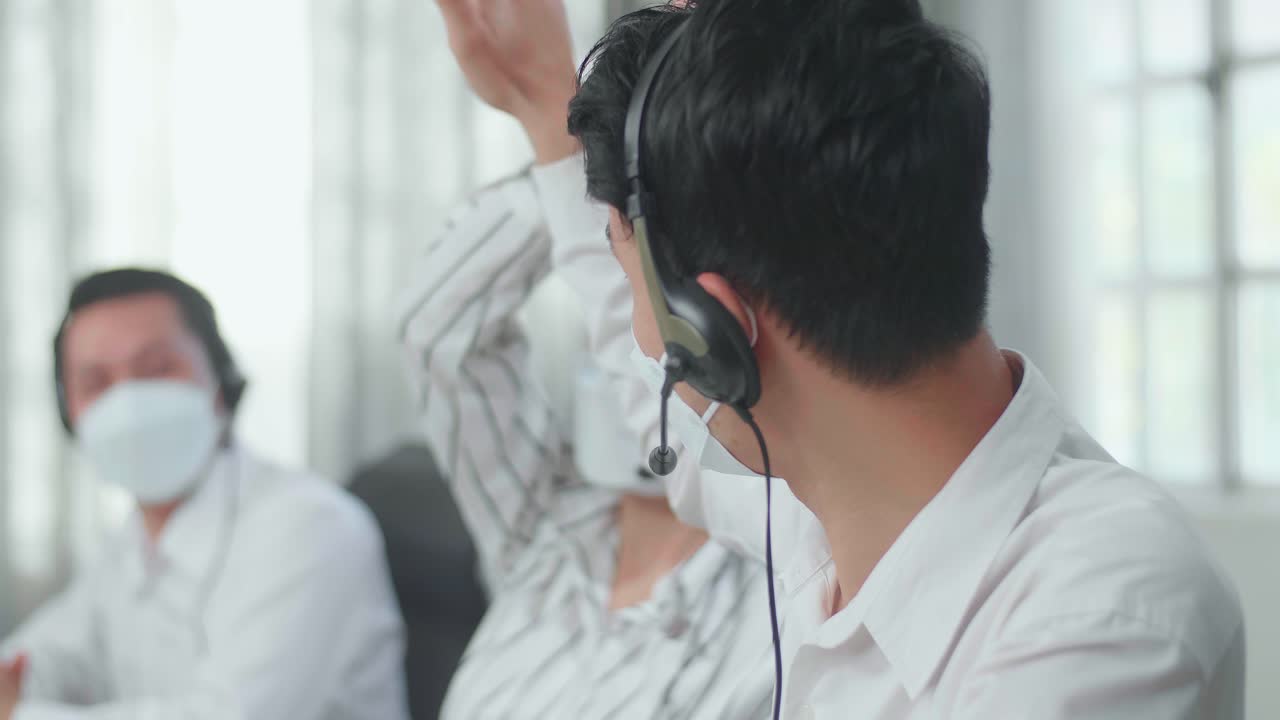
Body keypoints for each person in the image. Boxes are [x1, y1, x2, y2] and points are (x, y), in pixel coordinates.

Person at [566, 2, 1246, 718]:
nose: (647, 353)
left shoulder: (1103, 613)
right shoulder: (831, 515)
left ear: (712, 334)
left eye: (628, 281)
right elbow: (678, 455)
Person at [395, 1, 776, 716]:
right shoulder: (547, 529)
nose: (627, 342)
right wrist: (579, 144)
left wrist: (565, 136)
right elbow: (438, 329)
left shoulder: (787, 577)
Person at [0, 269, 409, 720]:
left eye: (157, 369)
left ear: (219, 379)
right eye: (95, 383)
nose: (129, 404)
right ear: (70, 416)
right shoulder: (131, 541)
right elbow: (52, 655)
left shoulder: (312, 527)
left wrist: (19, 715)